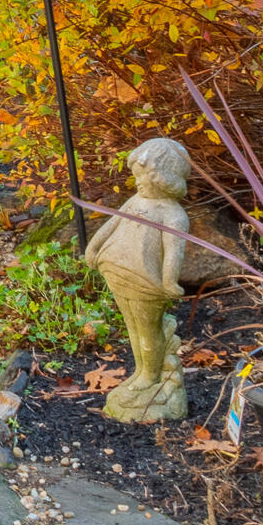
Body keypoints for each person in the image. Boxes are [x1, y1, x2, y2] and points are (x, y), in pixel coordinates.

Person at [82, 136, 193, 423]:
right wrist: (93, 249)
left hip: (146, 282)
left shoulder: (173, 214)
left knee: (148, 330)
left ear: (163, 178)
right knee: (132, 327)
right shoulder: (135, 201)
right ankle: (141, 371)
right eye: (136, 177)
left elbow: (173, 253)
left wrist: (170, 282)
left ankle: (151, 375)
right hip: (118, 273)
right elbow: (110, 224)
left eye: (143, 177)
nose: (138, 183)